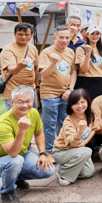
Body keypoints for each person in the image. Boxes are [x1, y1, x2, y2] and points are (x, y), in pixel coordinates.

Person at [0, 85, 55, 203]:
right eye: (20, 102)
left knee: (49, 170)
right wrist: (21, 130)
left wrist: (43, 153)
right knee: (16, 160)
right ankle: (7, 191)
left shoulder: (33, 112)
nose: (24, 105)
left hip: (22, 154)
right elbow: (12, 153)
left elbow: (39, 133)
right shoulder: (2, 123)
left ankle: (15, 177)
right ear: (12, 102)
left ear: (33, 100)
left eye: (28, 101)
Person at [38, 26, 77, 163]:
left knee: (64, 122)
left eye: (67, 37)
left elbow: (73, 72)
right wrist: (53, 62)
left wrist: (70, 89)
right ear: (54, 38)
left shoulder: (71, 52)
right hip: (49, 94)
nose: (64, 40)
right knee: (49, 124)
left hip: (66, 94)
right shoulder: (46, 52)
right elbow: (44, 74)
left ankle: (61, 148)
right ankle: (49, 151)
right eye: (61, 37)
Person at [52, 89, 97, 185]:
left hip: (79, 150)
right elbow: (73, 143)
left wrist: (84, 143)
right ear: (71, 106)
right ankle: (63, 173)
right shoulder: (68, 121)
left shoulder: (91, 115)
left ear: (88, 102)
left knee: (88, 173)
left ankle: (68, 168)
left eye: (83, 102)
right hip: (62, 151)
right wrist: (80, 130)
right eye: (76, 103)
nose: (80, 106)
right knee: (88, 151)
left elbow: (94, 129)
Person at [0, 23, 39, 110]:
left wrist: (37, 86)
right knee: (15, 121)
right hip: (13, 92)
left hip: (30, 92)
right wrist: (19, 67)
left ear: (31, 35)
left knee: (31, 119)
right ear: (14, 34)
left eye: (27, 34)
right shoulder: (8, 50)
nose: (24, 37)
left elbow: (35, 69)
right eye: (20, 34)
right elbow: (12, 70)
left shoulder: (32, 48)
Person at [75, 25, 102, 100]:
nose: (95, 36)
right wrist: (88, 53)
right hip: (86, 81)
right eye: (92, 34)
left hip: (100, 82)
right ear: (87, 35)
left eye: (97, 34)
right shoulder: (81, 49)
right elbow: (83, 70)